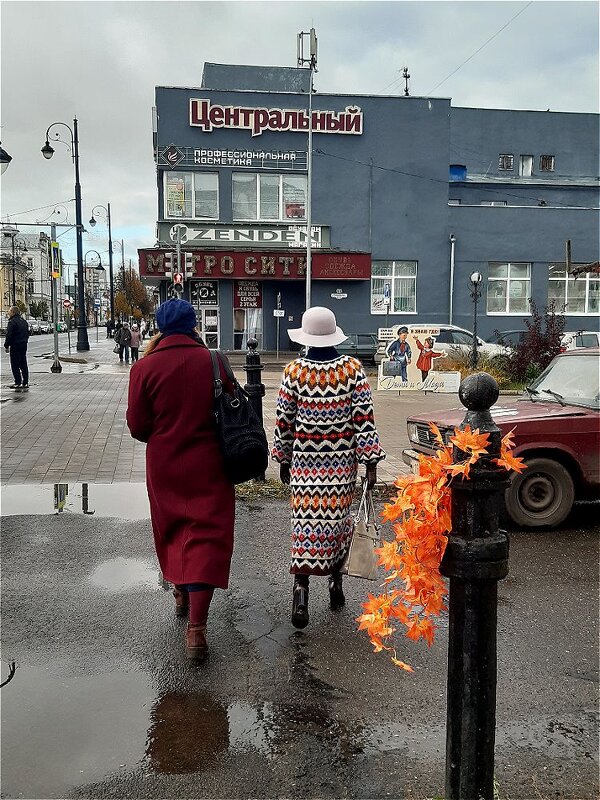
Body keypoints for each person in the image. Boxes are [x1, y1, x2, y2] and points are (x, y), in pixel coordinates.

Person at [126, 298, 235, 663]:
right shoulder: (214, 362)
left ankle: (179, 593)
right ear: (194, 326)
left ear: (160, 327)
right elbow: (233, 406)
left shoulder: (144, 367)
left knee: (172, 528)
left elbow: (138, 426)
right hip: (211, 464)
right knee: (206, 535)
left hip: (165, 464)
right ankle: (197, 629)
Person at [272, 306, 386, 629]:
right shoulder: (352, 370)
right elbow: (364, 419)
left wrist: (282, 458)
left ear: (306, 337)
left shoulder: (293, 372)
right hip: (340, 470)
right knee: (337, 527)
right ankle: (336, 584)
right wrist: (371, 462)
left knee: (305, 529)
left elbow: (283, 422)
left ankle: (300, 590)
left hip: (304, 469)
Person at [3, 306, 30, 392]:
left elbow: (9, 335)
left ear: (13, 312)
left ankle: (18, 382)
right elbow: (27, 333)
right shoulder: (24, 321)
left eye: (9, 311)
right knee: (23, 363)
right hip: (23, 345)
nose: (8, 313)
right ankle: (25, 382)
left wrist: (6, 345)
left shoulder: (12, 322)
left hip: (15, 345)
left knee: (15, 364)